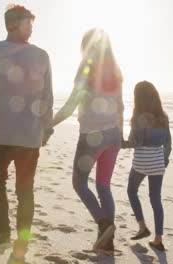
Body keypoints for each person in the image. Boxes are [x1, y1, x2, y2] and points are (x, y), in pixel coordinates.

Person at [0, 4, 54, 264]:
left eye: (32, 24)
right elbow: (46, 99)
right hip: (23, 137)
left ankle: (5, 236)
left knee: (4, 187)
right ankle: (19, 246)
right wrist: (46, 127)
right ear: (12, 24)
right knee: (23, 191)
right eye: (27, 23)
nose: (31, 28)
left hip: (4, 136)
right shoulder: (39, 55)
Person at [50, 28, 123, 253]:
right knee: (103, 186)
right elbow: (120, 106)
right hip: (113, 135)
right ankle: (107, 241)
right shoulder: (116, 70)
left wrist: (48, 125)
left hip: (92, 137)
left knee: (79, 184)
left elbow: (71, 105)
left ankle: (104, 224)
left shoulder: (86, 69)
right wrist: (120, 135)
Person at [122, 81, 172, 251]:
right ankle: (158, 239)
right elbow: (168, 143)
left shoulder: (139, 118)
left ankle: (142, 227)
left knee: (131, 191)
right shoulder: (163, 117)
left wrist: (121, 142)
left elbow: (136, 142)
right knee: (155, 199)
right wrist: (164, 160)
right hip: (158, 163)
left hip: (141, 163)